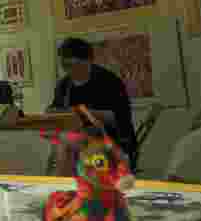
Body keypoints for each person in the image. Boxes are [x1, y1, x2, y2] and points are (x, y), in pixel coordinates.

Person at [49, 37, 138, 170]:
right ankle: (64, 183)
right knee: (61, 140)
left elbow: (120, 119)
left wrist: (82, 113)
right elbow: (55, 109)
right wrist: (51, 113)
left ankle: (65, 183)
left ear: (89, 61)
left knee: (67, 141)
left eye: (74, 65)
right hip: (78, 141)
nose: (69, 71)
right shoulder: (64, 85)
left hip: (113, 141)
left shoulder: (109, 81)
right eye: (65, 66)